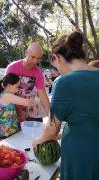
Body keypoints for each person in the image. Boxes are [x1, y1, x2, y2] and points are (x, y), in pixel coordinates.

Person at [33, 31, 99, 180]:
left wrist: (37, 140)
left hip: (81, 157)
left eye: (55, 65)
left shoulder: (65, 82)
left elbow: (51, 129)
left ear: (57, 58)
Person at [6, 42, 50, 122]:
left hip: (29, 110)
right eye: (33, 57)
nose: (35, 61)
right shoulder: (13, 67)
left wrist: (51, 118)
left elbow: (43, 95)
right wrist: (19, 112)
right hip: (12, 111)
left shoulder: (38, 73)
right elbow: (6, 92)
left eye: (38, 58)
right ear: (26, 52)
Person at [0, 73, 37, 141]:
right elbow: (28, 102)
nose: (18, 90)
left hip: (9, 132)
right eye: (17, 87)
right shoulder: (6, 96)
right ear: (9, 86)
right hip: (3, 133)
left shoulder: (7, 95)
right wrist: (32, 94)